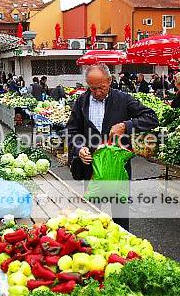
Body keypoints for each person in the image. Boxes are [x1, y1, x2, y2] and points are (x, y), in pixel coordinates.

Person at [66, 64, 159, 231]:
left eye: (101, 87)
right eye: (92, 88)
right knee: (92, 216)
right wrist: (79, 148)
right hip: (92, 169)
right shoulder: (81, 101)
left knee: (120, 217)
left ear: (109, 81)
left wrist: (126, 125)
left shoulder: (123, 99)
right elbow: (72, 131)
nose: (97, 92)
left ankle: (122, 252)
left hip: (118, 169)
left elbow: (151, 118)